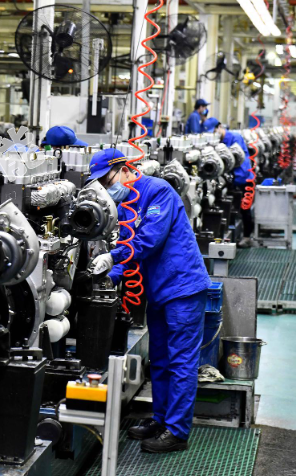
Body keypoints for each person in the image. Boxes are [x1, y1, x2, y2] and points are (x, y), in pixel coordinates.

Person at [87, 148, 210, 454]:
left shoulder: (158, 191)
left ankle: (177, 432)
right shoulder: (125, 204)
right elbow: (129, 248)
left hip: (182, 287)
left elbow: (148, 241)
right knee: (161, 359)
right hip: (158, 290)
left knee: (181, 362)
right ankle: (161, 420)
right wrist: (108, 275)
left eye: (107, 180)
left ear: (124, 168)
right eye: (100, 184)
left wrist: (112, 257)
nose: (106, 188)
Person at [203, 117, 254, 247]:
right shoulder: (216, 142)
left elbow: (239, 160)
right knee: (228, 206)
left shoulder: (235, 138)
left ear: (219, 127)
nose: (214, 135)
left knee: (244, 208)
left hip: (243, 178)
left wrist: (233, 177)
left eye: (214, 131)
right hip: (230, 178)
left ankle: (247, 237)